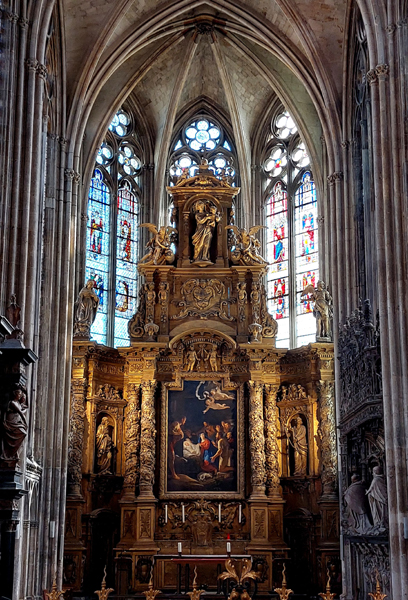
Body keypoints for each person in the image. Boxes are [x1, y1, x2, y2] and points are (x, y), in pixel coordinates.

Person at [1, 388, 28, 461]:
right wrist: (25, 423)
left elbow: (26, 406)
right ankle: (10, 454)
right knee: (22, 433)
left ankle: (14, 454)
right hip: (11, 422)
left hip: (16, 422)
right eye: (19, 394)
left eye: (20, 394)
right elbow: (20, 413)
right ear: (15, 394)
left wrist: (26, 393)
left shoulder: (18, 403)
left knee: (23, 434)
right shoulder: (12, 403)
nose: (20, 396)